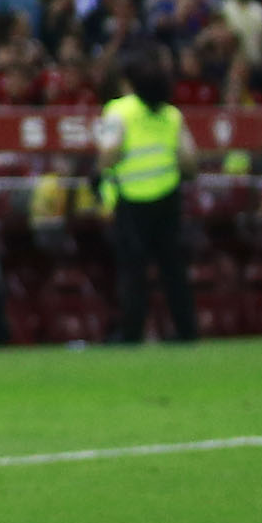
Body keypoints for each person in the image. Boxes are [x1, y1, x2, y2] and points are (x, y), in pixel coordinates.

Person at [96, 47, 197, 343]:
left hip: (132, 200)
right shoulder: (171, 114)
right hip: (168, 198)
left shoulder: (118, 111)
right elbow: (190, 161)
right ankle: (186, 331)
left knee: (133, 273)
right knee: (173, 271)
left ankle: (132, 334)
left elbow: (108, 155)